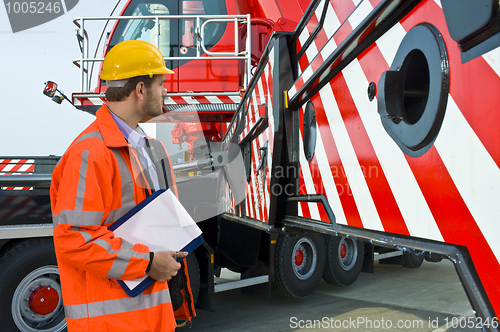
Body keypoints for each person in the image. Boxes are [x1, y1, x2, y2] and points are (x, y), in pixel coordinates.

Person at [50, 40, 195, 332]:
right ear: (140, 90)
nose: (165, 91)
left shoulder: (153, 149)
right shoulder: (90, 153)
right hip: (112, 322)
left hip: (152, 315)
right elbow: (74, 239)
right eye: (160, 83)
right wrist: (147, 262)